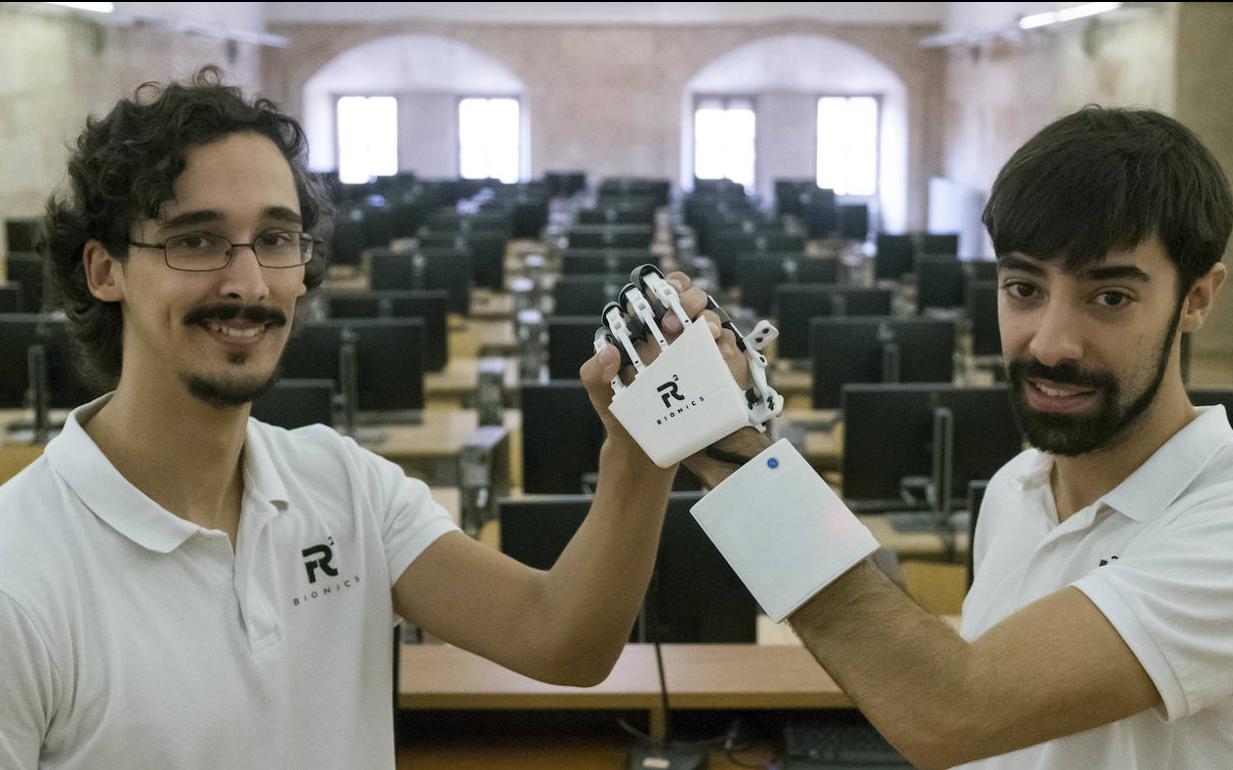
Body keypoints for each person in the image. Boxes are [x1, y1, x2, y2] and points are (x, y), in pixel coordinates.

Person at [0, 66, 736, 768]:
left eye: (277, 239)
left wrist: (640, 454)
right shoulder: (20, 576)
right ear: (104, 270)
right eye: (197, 240)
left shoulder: (342, 485)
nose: (249, 281)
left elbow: (564, 640)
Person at [677, 106, 1233, 769]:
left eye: (1110, 297)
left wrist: (738, 460)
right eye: (1023, 288)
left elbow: (953, 710)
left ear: (1199, 298)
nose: (1052, 343)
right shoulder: (1015, 489)